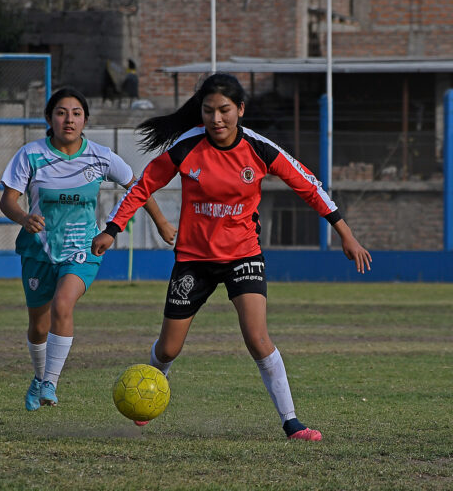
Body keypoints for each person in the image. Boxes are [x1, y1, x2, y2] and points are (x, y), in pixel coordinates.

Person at [92, 73, 372, 440]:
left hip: (244, 255)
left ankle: (291, 422)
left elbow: (307, 183)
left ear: (240, 109)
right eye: (208, 111)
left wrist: (345, 233)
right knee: (169, 347)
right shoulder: (186, 147)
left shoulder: (259, 148)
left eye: (224, 110)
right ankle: (147, 391)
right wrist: (113, 228)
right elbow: (144, 186)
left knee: (257, 338)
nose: (216, 119)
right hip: (193, 259)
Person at [0, 87, 177, 411]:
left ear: (85, 120)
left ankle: (51, 383)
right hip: (39, 249)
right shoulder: (30, 155)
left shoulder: (100, 155)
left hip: (82, 247)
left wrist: (161, 222)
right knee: (38, 325)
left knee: (63, 305)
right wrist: (24, 217)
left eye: (76, 113)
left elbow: (139, 187)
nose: (69, 119)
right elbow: (8, 201)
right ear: (49, 119)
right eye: (61, 113)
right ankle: (39, 378)